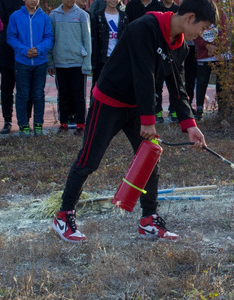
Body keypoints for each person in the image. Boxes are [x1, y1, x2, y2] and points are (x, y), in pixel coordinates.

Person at [52, 0, 218, 243]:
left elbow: (177, 87)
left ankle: (148, 219)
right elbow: (143, 73)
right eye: (203, 28)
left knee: (150, 158)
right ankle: (63, 215)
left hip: (135, 106)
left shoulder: (180, 47)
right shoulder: (144, 27)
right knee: (89, 160)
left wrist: (190, 124)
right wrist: (148, 120)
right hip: (108, 101)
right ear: (190, 17)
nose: (201, 34)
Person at [6, 0, 53, 137]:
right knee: (22, 94)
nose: (33, 1)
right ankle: (23, 125)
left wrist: (39, 49)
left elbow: (49, 37)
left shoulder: (44, 17)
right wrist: (24, 50)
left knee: (38, 94)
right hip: (22, 62)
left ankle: (38, 124)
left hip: (40, 62)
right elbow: (11, 37)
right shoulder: (15, 16)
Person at [48, 0, 92, 135]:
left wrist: (86, 63)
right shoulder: (54, 15)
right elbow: (51, 39)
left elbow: (87, 39)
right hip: (60, 62)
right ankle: (63, 124)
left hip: (77, 62)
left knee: (79, 96)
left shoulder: (82, 15)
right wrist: (50, 61)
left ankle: (80, 125)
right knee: (63, 95)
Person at [0, 0, 32, 135]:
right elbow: (0, 22)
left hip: (25, 49)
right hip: (7, 49)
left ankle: (25, 120)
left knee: (26, 88)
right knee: (6, 87)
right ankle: (7, 121)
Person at [91, 0, 128, 95]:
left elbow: (126, 41)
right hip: (102, 59)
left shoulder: (124, 16)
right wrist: (93, 62)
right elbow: (94, 40)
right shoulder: (98, 16)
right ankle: (95, 109)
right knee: (98, 88)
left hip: (118, 59)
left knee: (116, 90)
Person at [154, 0, 180, 123]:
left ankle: (174, 110)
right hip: (159, 52)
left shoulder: (178, 10)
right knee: (157, 84)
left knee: (174, 84)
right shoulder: (157, 7)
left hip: (173, 53)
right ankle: (157, 110)